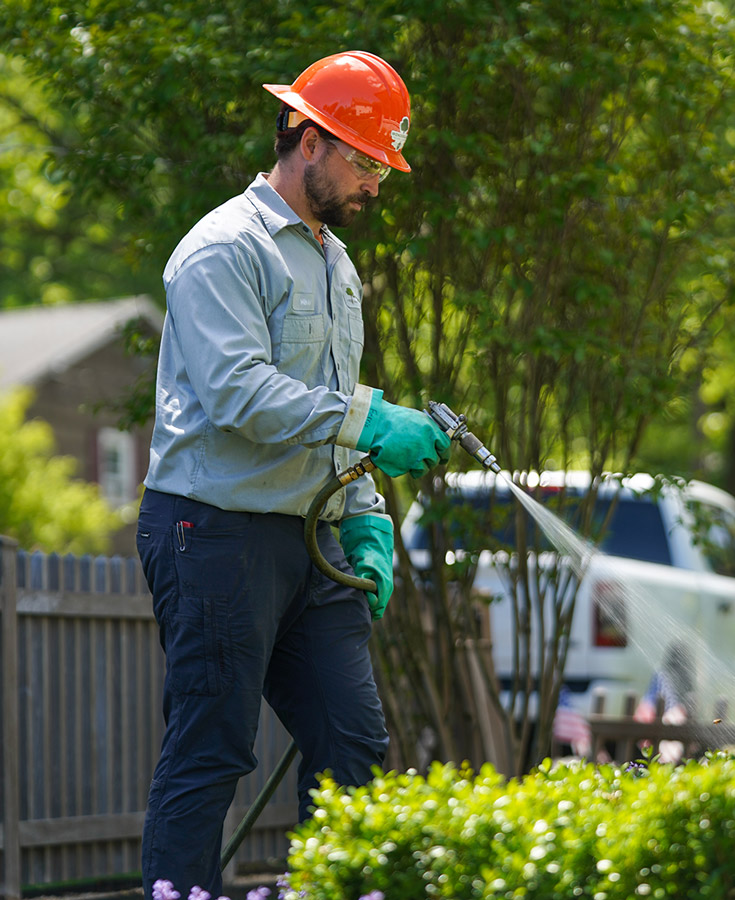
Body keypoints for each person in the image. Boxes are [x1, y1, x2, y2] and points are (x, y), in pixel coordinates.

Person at [135, 51, 450, 899]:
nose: (377, 184)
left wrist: (367, 514)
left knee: (354, 740)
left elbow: (336, 413)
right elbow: (241, 394)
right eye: (364, 158)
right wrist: (373, 420)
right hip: (213, 530)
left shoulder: (337, 265)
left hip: (310, 539)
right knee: (213, 743)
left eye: (384, 165)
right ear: (307, 139)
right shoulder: (220, 250)